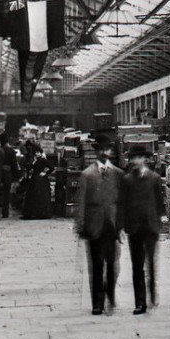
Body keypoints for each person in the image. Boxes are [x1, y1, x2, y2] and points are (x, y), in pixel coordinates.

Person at [74, 133, 124, 315]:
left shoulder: (118, 175)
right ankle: (97, 302)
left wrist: (121, 225)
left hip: (112, 226)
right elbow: (80, 202)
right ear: (96, 152)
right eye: (101, 149)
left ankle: (110, 293)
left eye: (107, 149)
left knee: (112, 264)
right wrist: (80, 226)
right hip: (93, 225)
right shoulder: (87, 175)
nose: (104, 152)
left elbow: (122, 202)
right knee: (96, 266)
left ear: (111, 151)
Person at [118, 145, 165, 315]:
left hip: (151, 227)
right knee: (137, 266)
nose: (133, 161)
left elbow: (159, 202)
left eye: (137, 158)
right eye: (132, 158)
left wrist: (161, 219)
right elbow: (122, 204)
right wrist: (121, 227)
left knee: (151, 263)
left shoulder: (154, 178)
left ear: (145, 159)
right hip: (135, 227)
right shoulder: (127, 180)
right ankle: (140, 302)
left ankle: (152, 293)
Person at [21, 144, 53, 219]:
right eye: (35, 152)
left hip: (41, 180)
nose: (36, 154)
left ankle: (41, 213)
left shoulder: (43, 160)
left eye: (38, 152)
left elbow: (51, 168)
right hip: (34, 179)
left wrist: (45, 173)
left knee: (40, 196)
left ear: (40, 153)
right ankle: (34, 213)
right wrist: (33, 162)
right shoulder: (35, 160)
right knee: (33, 196)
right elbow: (29, 167)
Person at [0, 132, 21, 219]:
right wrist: (16, 176)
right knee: (6, 194)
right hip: (7, 175)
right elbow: (14, 165)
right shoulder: (11, 151)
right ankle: (5, 212)